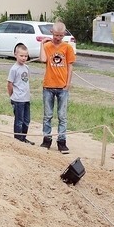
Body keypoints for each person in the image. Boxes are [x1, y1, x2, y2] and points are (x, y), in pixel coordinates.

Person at [38, 21, 76, 153]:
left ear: (64, 34)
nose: (58, 38)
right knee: (47, 115)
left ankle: (62, 141)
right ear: (51, 33)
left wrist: (68, 83)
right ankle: (46, 139)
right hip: (48, 85)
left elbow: (70, 66)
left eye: (60, 36)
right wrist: (42, 44)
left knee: (62, 116)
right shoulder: (48, 46)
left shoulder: (67, 48)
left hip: (62, 86)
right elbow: (43, 59)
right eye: (56, 35)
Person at [7, 44, 32, 144]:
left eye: (25, 56)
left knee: (26, 120)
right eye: (21, 56)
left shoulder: (26, 68)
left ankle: (23, 138)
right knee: (19, 121)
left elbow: (25, 82)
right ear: (15, 55)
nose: (24, 58)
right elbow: (10, 84)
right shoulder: (14, 69)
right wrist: (12, 96)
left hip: (26, 99)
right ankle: (18, 140)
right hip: (18, 99)